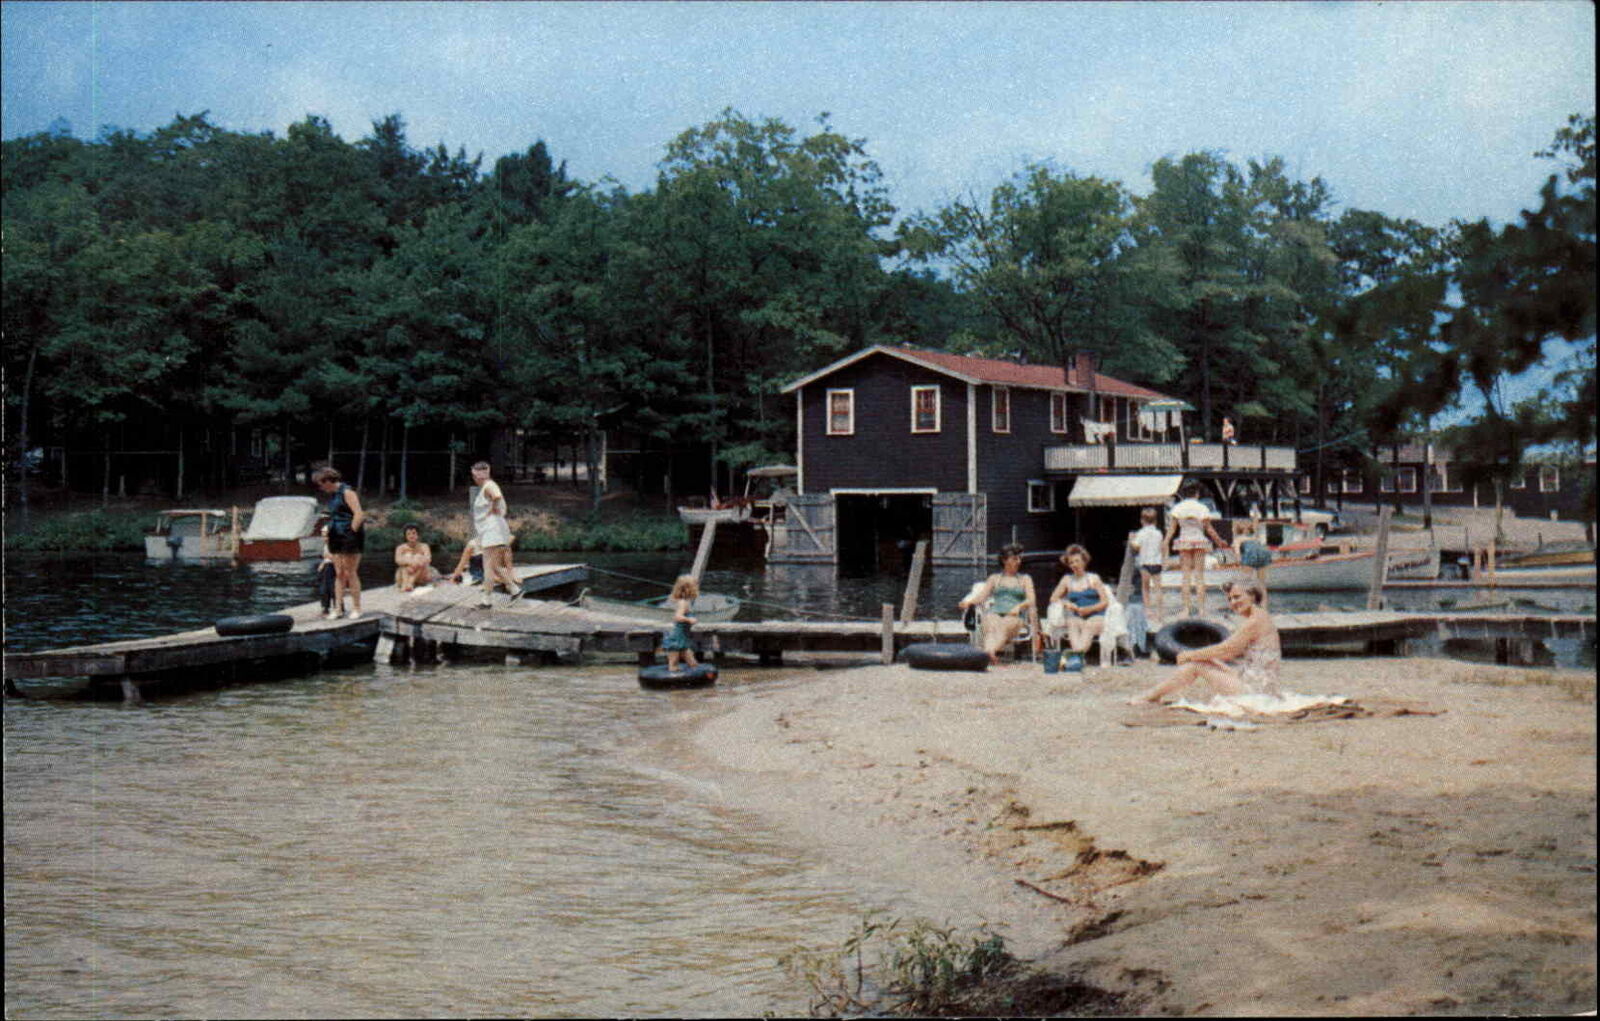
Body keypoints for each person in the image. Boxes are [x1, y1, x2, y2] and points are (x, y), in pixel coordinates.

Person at [1129, 579, 1281, 704]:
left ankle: (1151, 696)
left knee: (1195, 664)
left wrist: (1190, 655)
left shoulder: (1255, 621)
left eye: (1237, 597)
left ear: (1252, 596)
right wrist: (1200, 656)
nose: (1233, 602)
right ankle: (1153, 695)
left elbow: (1227, 650)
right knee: (1205, 660)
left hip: (1255, 690)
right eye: (1230, 599)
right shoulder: (1260, 616)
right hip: (1257, 682)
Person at [958, 543, 1037, 666]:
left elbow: (1031, 599)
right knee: (991, 624)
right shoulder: (994, 578)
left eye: (1019, 558)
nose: (1019, 562)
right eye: (1015, 559)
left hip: (1014, 615)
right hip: (995, 612)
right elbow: (982, 597)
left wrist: (1018, 607)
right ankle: (989, 654)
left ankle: (986, 654)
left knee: (1003, 625)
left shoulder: (1025, 579)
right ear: (1004, 560)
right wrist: (968, 603)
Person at [1164, 485, 1229, 618]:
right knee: (1200, 577)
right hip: (1199, 541)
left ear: (1184, 494)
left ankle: (1186, 610)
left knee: (1186, 577)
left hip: (1184, 542)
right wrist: (1219, 541)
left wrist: (1165, 541)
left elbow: (1172, 529)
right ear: (1197, 494)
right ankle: (1201, 610)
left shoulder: (1178, 508)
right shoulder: (1202, 508)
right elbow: (1209, 529)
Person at [1047, 545, 1111, 669]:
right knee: (1071, 622)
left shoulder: (1093, 578)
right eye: (1071, 562)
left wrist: (1089, 609)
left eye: (1077, 561)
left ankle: (1074, 657)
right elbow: (1053, 598)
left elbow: (1105, 602)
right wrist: (1067, 604)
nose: (1074, 565)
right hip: (1078, 615)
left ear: (1084, 561)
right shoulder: (1067, 579)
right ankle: (1076, 658)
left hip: (1096, 615)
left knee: (1089, 625)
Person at [313, 467, 365, 619]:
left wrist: (351, 534)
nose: (320, 488)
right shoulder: (333, 495)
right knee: (339, 573)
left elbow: (359, 514)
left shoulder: (347, 492)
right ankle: (338, 608)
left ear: (328, 481)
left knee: (350, 572)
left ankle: (357, 608)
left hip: (350, 536)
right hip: (335, 535)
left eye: (321, 484)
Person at [469, 461, 519, 607]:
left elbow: (496, 496)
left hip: (493, 530)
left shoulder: (489, 485)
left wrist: (493, 508)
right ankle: (515, 590)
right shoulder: (486, 486)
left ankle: (486, 601)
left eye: (474, 475)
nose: (473, 478)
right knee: (495, 565)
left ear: (478, 475)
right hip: (492, 530)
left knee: (488, 567)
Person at [1129, 507, 1167, 625]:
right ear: (1155, 521)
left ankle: (1148, 611)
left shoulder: (1141, 533)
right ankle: (1160, 613)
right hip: (1156, 563)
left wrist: (1131, 540)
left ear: (1142, 521)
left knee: (1145, 588)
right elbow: (1162, 547)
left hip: (1145, 563)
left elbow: (1135, 547)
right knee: (1158, 589)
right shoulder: (1159, 533)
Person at [660, 575, 701, 673]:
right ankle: (672, 669)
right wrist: (689, 620)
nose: (697, 589)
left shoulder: (686, 602)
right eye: (695, 586)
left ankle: (694, 669)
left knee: (690, 657)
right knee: (674, 656)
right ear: (687, 589)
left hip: (683, 635)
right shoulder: (683, 603)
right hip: (677, 635)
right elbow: (677, 617)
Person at [1232, 517, 1273, 598]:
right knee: (1262, 584)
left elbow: (1237, 551)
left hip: (1250, 554)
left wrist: (1238, 561)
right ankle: (1263, 606)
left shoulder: (1238, 539)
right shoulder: (1255, 537)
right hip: (1263, 554)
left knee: (1244, 581)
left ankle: (1245, 601)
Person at [393, 525, 436, 593]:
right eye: (408, 534)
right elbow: (398, 560)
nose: (411, 536)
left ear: (418, 535)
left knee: (419, 557)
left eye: (414, 533)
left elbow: (428, 559)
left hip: (421, 575)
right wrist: (411, 563)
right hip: (404, 575)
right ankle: (406, 583)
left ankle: (410, 583)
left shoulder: (424, 546)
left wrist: (416, 563)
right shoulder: (400, 548)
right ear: (405, 536)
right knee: (407, 557)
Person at [313, 546, 337, 617]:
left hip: (335, 566)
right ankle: (325, 608)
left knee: (334, 588)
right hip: (327, 566)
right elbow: (326, 557)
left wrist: (329, 557)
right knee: (324, 589)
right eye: (323, 536)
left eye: (326, 536)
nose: (325, 538)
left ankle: (338, 607)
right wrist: (323, 563)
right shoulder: (326, 545)